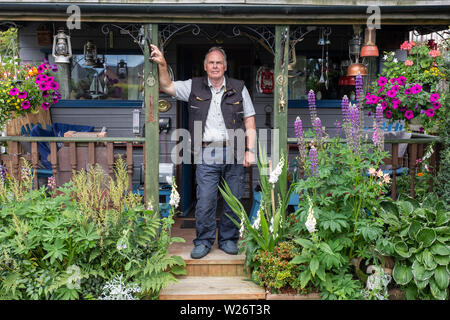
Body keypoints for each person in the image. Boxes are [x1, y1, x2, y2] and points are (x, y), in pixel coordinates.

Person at [151, 44, 256, 259]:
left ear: (225, 66)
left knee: (233, 199)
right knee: (206, 200)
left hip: (234, 150)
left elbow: (250, 122)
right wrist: (162, 64)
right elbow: (167, 86)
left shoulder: (239, 87)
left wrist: (250, 151)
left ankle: (228, 239)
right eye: (211, 62)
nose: (215, 66)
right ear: (205, 66)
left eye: (219, 62)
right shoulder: (193, 86)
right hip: (207, 152)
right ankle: (204, 241)